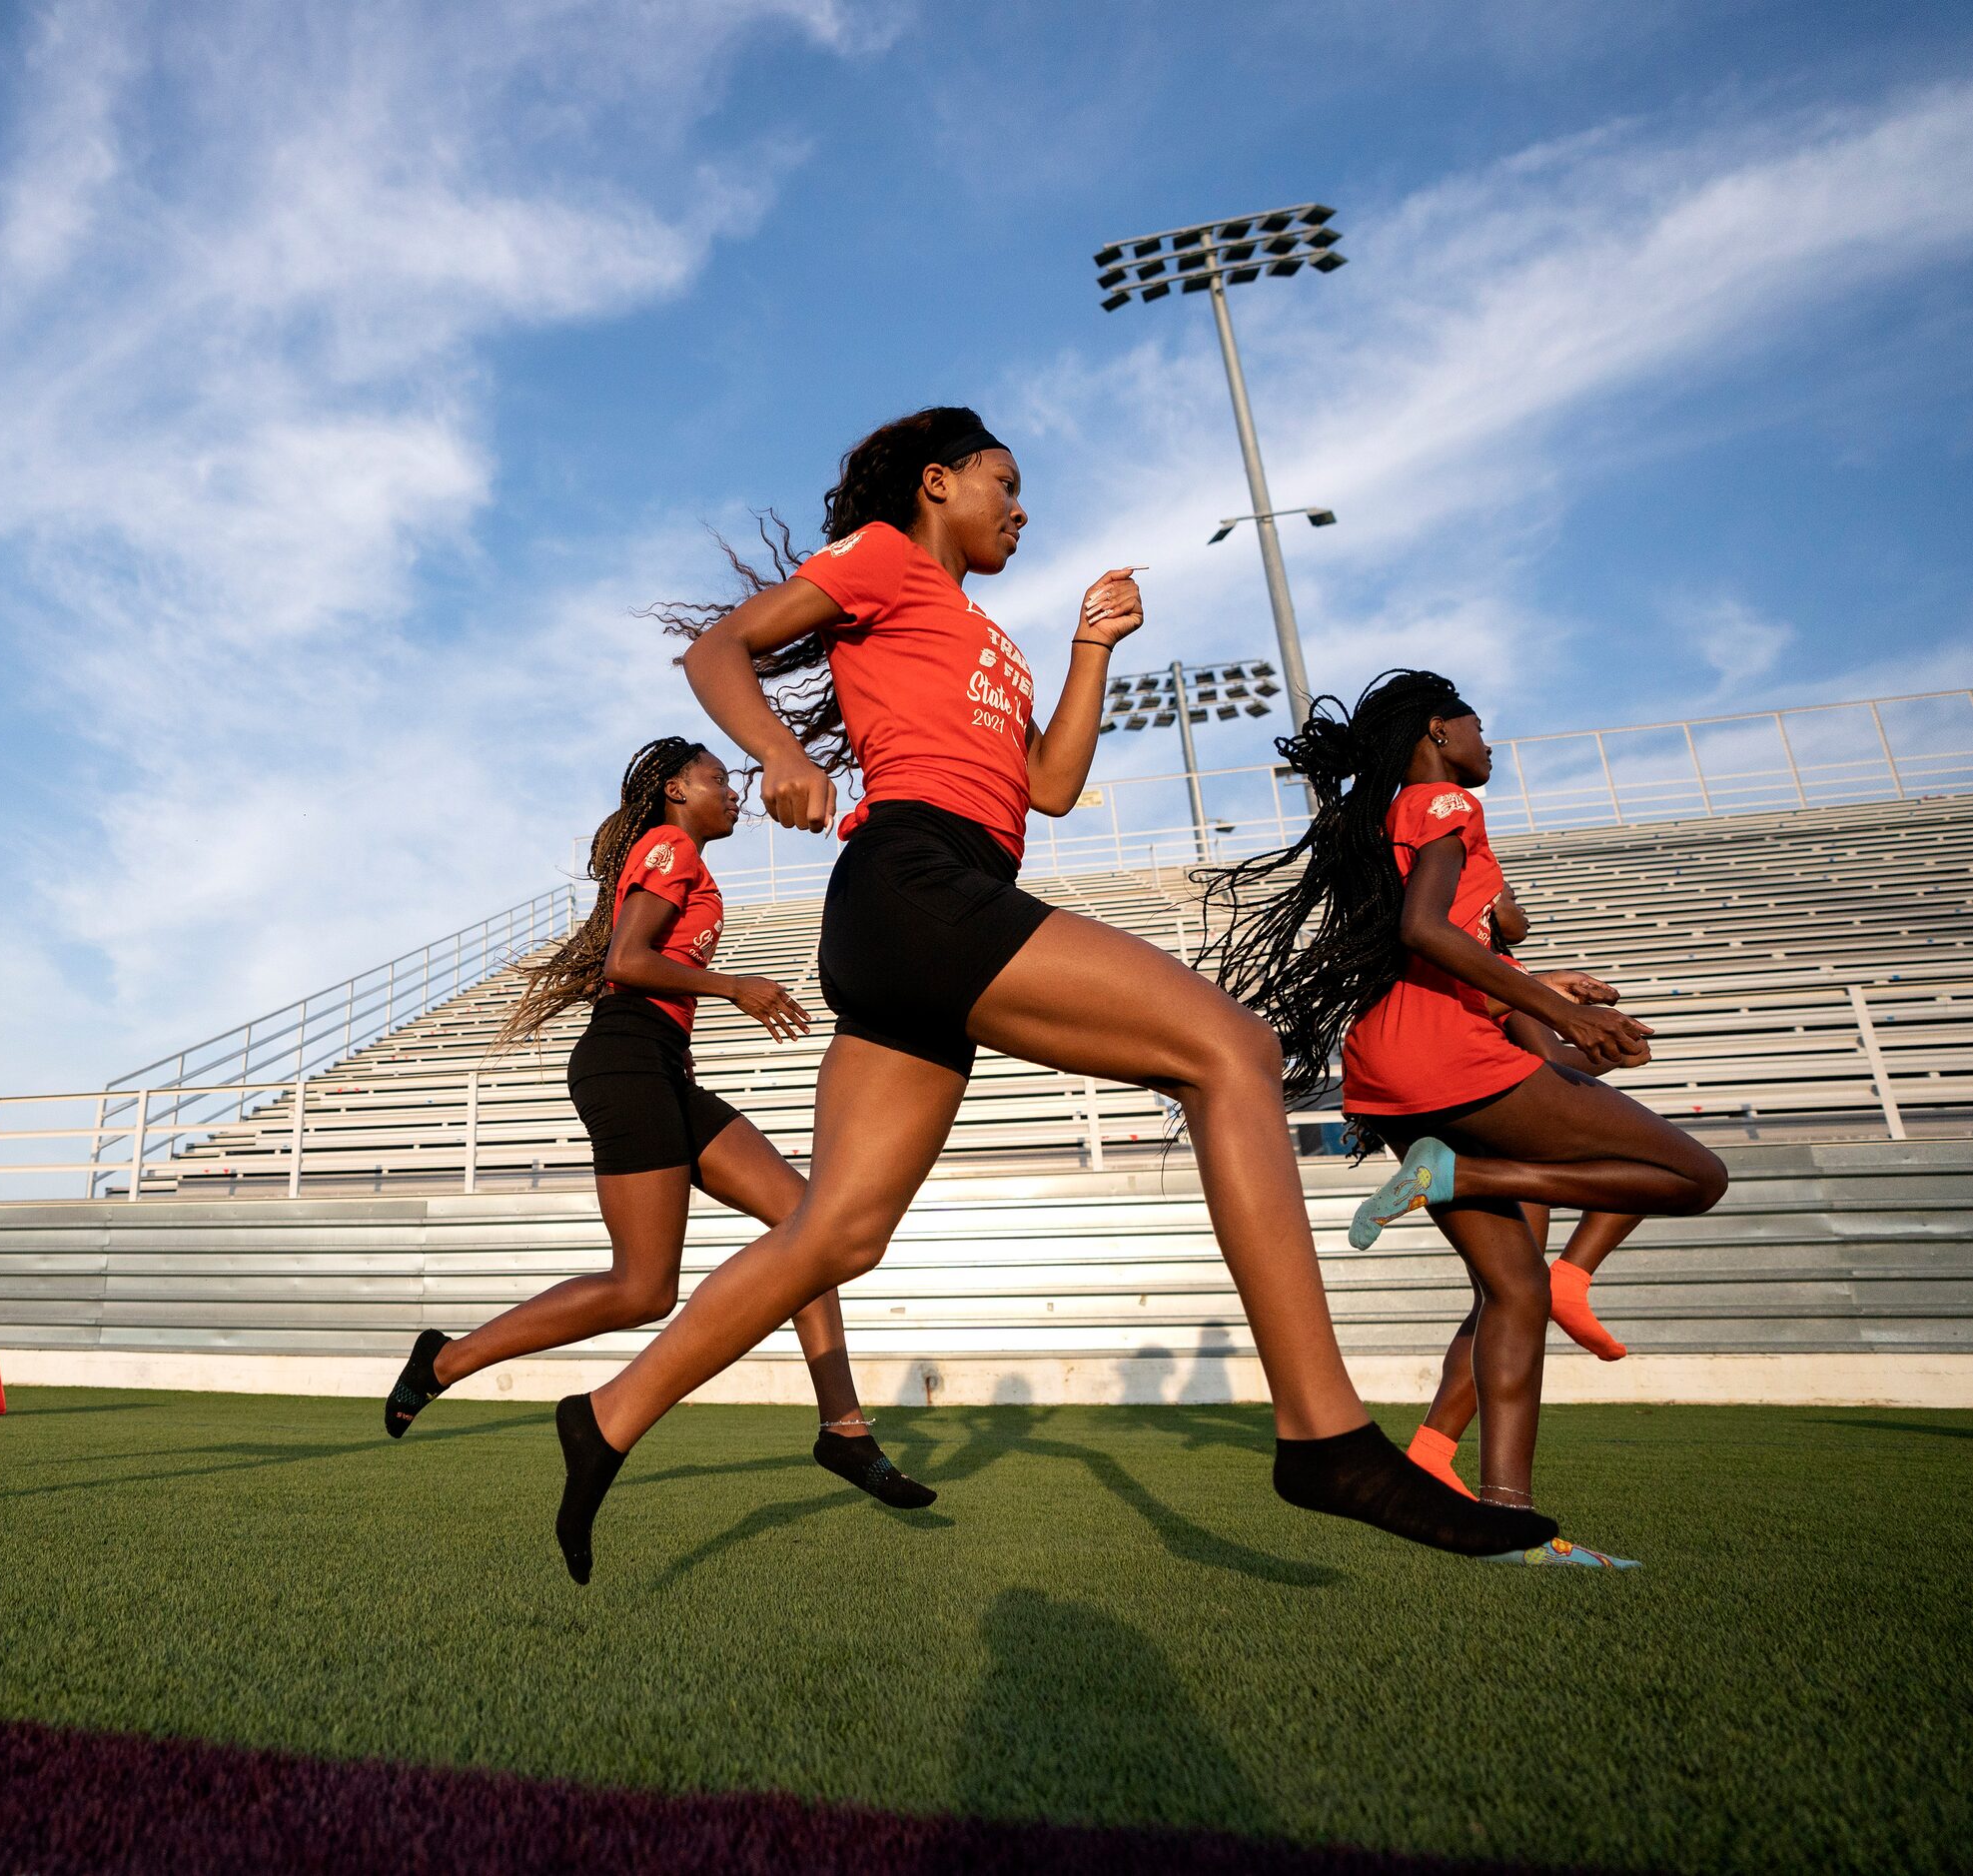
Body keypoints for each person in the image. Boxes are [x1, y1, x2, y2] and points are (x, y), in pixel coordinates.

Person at [543, 406, 1559, 1583]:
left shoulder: (994, 641)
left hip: (935, 903)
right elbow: (714, 652)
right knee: (1226, 1049)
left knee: (842, 1231)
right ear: (937, 483)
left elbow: (1053, 787)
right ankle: (1325, 1436)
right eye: (1003, 483)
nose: (1021, 508)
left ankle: (607, 1416)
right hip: (914, 880)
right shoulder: (879, 559)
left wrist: (1091, 649)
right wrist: (782, 753)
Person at [1203, 669, 1723, 1560]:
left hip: (1397, 1068)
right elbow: (1424, 930)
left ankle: (1509, 1524)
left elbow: (1481, 933)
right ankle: (1465, 1172)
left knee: (1512, 1294)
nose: (1491, 746)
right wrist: (1567, 1013)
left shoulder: (1393, 818)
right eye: (1479, 730)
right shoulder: (1438, 800)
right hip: (1449, 1062)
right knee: (1695, 1176)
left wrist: (1538, 980)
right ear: (1438, 733)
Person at [384, 736, 932, 1509]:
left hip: (661, 1066)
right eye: (718, 779)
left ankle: (843, 1430)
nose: (734, 792)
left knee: (811, 1227)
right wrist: (732, 986)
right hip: (626, 1062)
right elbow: (627, 962)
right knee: (643, 1290)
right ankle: (444, 1361)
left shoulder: (683, 856)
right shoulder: (668, 845)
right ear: (676, 788)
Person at [1404, 889, 1642, 1500]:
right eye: (1506, 892)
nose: (1517, 902)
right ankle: (1575, 1276)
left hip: (1456, 1114)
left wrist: (1552, 991)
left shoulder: (1474, 973)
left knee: (1504, 1296)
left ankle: (1431, 1451)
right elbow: (1551, 1063)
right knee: (1647, 1159)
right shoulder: (1495, 972)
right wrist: (1611, 1050)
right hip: (1494, 1126)